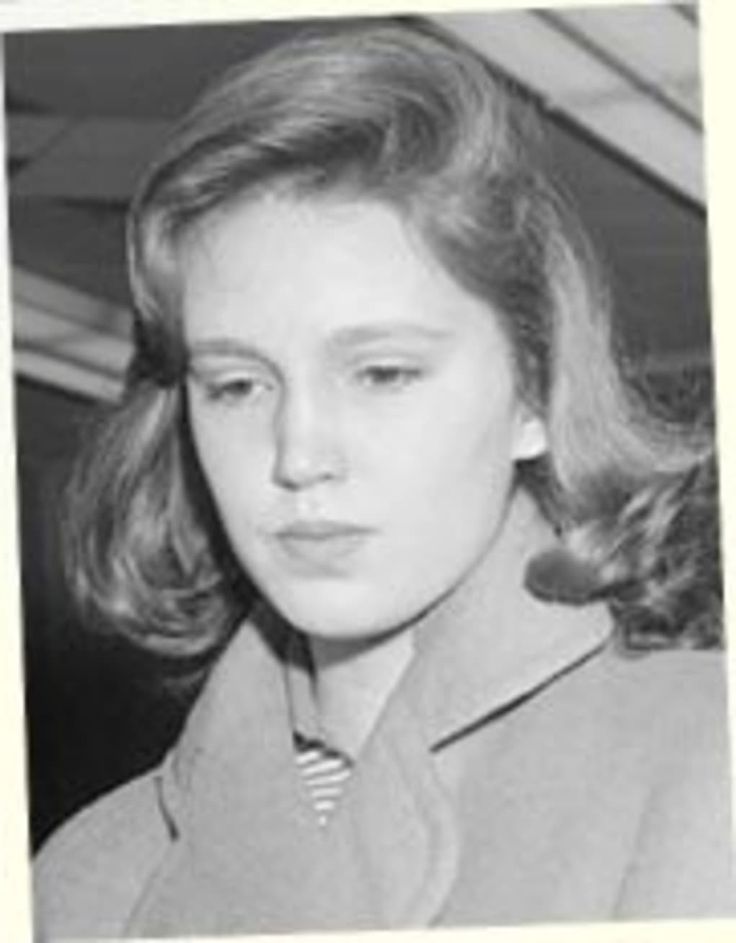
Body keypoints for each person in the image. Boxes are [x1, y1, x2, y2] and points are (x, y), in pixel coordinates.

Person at [33, 18, 733, 939]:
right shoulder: (88, 878)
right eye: (238, 384)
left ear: (534, 392)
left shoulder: (702, 757)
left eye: (382, 373)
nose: (297, 453)